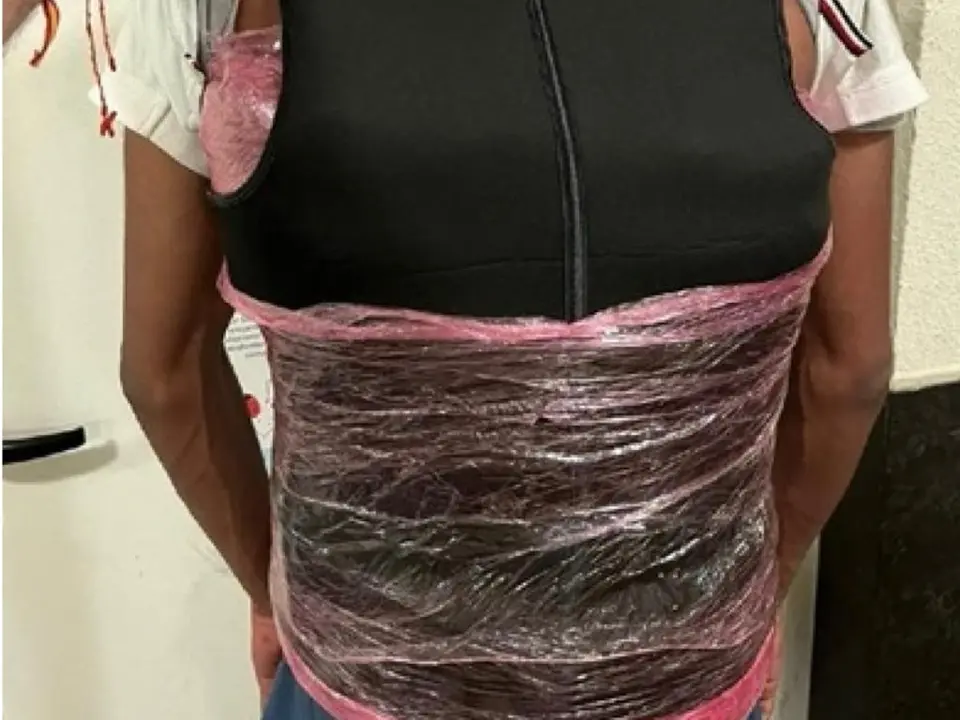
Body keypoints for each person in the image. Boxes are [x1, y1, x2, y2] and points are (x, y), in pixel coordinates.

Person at [92, 0, 927, 718]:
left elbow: (164, 371)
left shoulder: (197, 11)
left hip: (362, 686)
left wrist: (274, 591)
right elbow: (848, 367)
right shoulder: (831, 14)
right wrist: (747, 596)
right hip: (686, 681)